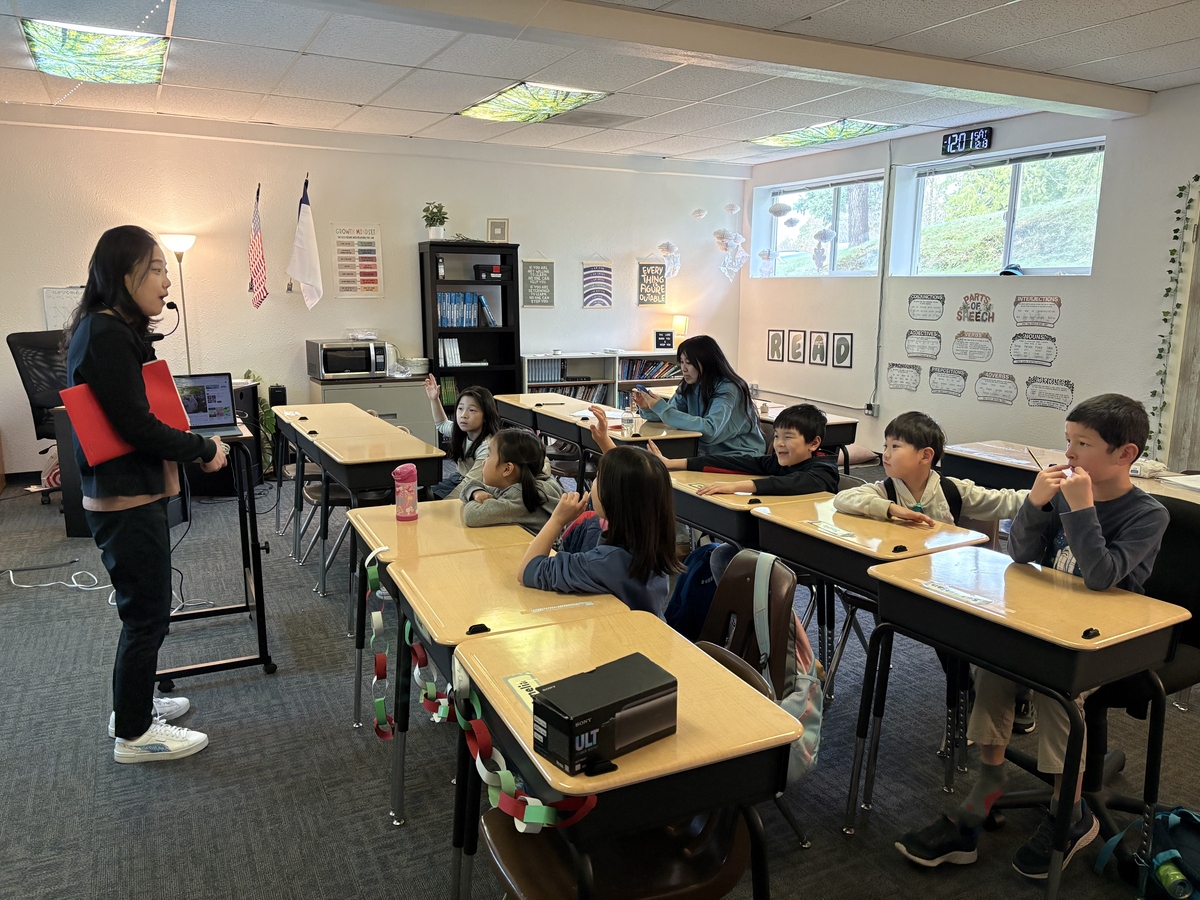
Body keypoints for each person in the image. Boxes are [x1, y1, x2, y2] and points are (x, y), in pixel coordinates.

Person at [894, 394, 1169, 882]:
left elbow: (1101, 576)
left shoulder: (1146, 514)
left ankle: (1071, 809)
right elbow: (1020, 555)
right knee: (993, 665)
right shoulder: (1063, 494)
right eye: (1068, 441)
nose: (1069, 455)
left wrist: (1081, 510)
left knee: (1056, 689)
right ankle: (988, 781)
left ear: (1125, 454)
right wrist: (1037, 504)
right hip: (1051, 621)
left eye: (1083, 444)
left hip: (1111, 640)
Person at [63, 225, 227, 763]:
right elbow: (135, 425)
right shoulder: (105, 334)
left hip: (131, 493)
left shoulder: (108, 329)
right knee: (146, 615)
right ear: (122, 274)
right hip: (125, 499)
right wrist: (203, 448)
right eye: (155, 269)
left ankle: (130, 707)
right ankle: (134, 736)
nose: (165, 281)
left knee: (147, 609)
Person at [518, 445, 682, 615]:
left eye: (597, 478)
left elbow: (527, 570)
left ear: (612, 497)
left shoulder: (605, 563)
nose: (593, 484)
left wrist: (557, 520)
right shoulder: (654, 546)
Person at [833, 411, 1027, 526]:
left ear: (925, 455)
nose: (886, 454)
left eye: (895, 446)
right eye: (886, 446)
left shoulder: (953, 491)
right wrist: (891, 508)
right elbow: (843, 499)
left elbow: (1004, 502)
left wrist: (1038, 496)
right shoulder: (885, 491)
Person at [646, 403, 839, 497]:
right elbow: (736, 463)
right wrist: (671, 463)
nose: (779, 443)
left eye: (787, 437)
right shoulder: (780, 461)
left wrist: (735, 487)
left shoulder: (824, 471)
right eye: (776, 436)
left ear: (814, 443)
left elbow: (788, 483)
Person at [632, 335, 765, 456]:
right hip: (706, 454)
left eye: (689, 363)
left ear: (707, 362)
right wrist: (648, 408)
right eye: (682, 362)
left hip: (739, 455)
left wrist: (662, 409)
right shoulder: (689, 385)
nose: (684, 368)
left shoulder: (729, 388)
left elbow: (710, 431)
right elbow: (669, 415)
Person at [459, 428, 563, 528]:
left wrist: (474, 498)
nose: (483, 462)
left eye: (488, 456)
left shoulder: (520, 496)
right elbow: (473, 484)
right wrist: (476, 492)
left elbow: (472, 516)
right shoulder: (527, 482)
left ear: (507, 469)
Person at [422, 376, 500, 499]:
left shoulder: (487, 447)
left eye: (472, 410)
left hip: (477, 488)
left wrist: (442, 505)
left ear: (486, 415)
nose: (464, 415)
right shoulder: (461, 432)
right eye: (460, 408)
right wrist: (434, 399)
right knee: (418, 496)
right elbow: (441, 424)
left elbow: (469, 483)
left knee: (428, 503)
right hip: (458, 478)